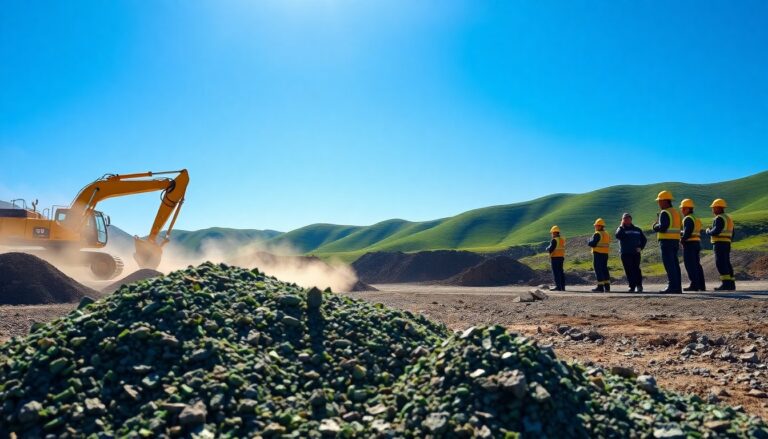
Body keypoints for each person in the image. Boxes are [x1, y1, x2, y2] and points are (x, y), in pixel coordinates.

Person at [652, 190, 682, 294]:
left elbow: (663, 227)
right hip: (675, 241)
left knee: (669, 264)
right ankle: (677, 286)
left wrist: (655, 226)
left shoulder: (665, 212)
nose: (658, 203)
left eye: (659, 201)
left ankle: (672, 286)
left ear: (665, 201)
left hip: (666, 242)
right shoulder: (676, 212)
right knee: (674, 264)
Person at [706, 198, 735, 291]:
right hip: (726, 243)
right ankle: (731, 284)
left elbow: (716, 231)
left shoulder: (719, 218)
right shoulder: (728, 218)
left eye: (713, 208)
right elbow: (732, 232)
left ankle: (726, 284)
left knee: (720, 263)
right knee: (726, 262)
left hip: (719, 243)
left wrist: (708, 232)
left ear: (718, 208)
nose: (712, 210)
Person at [615, 213, 646, 292]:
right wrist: (621, 226)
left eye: (627, 218)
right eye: (624, 219)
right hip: (625, 253)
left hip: (635, 253)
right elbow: (617, 235)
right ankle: (632, 287)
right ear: (622, 220)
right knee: (628, 270)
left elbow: (644, 240)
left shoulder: (637, 229)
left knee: (636, 269)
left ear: (631, 219)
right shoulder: (621, 229)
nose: (626, 220)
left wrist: (641, 247)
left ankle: (639, 286)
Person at [680, 199, 706, 291]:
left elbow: (688, 231)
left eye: (683, 209)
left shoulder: (688, 218)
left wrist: (682, 240)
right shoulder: (696, 218)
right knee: (697, 265)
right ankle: (701, 285)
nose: (681, 211)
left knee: (690, 265)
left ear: (687, 209)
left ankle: (694, 285)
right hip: (696, 243)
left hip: (690, 244)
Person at [587, 218, 610, 292]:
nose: (595, 227)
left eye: (596, 226)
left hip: (598, 253)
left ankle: (600, 287)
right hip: (605, 254)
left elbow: (593, 244)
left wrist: (588, 241)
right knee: (604, 269)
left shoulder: (597, 234)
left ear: (600, 226)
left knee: (598, 269)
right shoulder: (606, 234)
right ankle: (607, 286)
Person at [546, 225, 566, 291]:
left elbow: (551, 248)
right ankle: (563, 287)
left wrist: (547, 248)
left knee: (556, 272)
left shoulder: (554, 240)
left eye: (552, 233)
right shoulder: (562, 240)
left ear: (554, 233)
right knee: (561, 272)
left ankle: (558, 287)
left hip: (555, 257)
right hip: (561, 257)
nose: (552, 234)